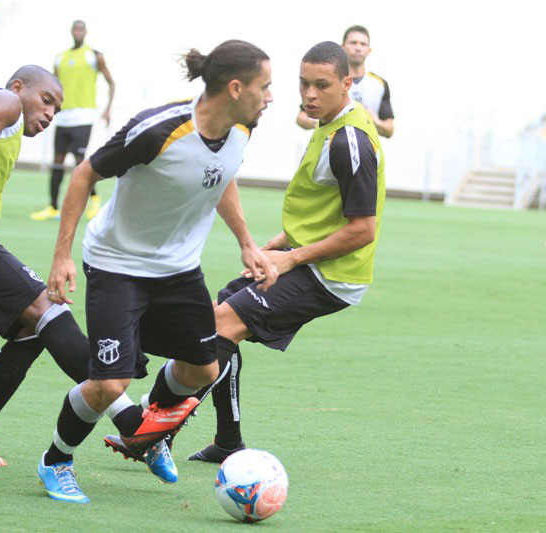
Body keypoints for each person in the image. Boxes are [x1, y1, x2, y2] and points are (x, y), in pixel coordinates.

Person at [37, 39, 278, 504]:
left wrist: (247, 242)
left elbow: (220, 175)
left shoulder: (243, 129)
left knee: (203, 368)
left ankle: (146, 433)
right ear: (234, 88)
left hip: (178, 269)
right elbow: (84, 174)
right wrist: (62, 257)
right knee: (110, 384)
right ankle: (56, 461)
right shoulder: (158, 129)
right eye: (264, 87)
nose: (270, 97)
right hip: (117, 264)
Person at [0, 65, 155, 471]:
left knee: (29, 333)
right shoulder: (4, 100)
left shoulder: (9, 129)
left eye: (57, 108)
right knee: (48, 309)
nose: (51, 113)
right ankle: (132, 423)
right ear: (19, 88)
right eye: (46, 100)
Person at [183, 41, 386, 463]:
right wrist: (276, 245)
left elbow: (363, 229)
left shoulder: (349, 139)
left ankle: (155, 432)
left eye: (322, 85)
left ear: (347, 83)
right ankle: (227, 442)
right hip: (310, 260)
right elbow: (324, 212)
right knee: (222, 310)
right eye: (304, 84)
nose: (309, 94)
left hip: (334, 276)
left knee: (221, 323)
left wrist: (291, 258)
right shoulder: (328, 124)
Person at [30, 20, 114, 222]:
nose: (78, 33)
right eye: (75, 29)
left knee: (79, 162)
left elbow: (111, 83)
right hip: (63, 118)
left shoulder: (94, 56)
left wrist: (108, 109)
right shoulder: (60, 58)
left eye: (81, 30)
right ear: (71, 32)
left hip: (84, 116)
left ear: (85, 32)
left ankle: (94, 200)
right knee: (57, 162)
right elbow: (52, 87)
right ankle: (52, 206)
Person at [296, 25, 394, 138]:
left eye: (363, 44)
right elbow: (301, 117)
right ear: (342, 47)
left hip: (366, 150)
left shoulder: (379, 84)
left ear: (369, 50)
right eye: (353, 43)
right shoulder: (328, 79)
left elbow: (389, 130)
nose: (358, 48)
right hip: (330, 146)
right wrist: (324, 121)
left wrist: (374, 121)